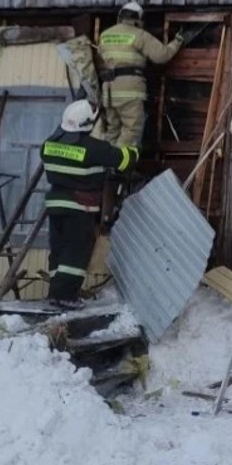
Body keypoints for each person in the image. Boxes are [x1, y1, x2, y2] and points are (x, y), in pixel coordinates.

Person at [41, 100, 139, 310]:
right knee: (76, 251)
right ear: (86, 124)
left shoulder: (48, 145)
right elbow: (123, 160)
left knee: (59, 251)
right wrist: (136, 151)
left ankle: (55, 293)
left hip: (55, 206)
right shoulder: (93, 149)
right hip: (79, 207)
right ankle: (65, 296)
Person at [96, 1, 184, 147]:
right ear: (138, 19)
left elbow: (102, 58)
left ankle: (106, 166)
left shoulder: (105, 35)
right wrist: (178, 41)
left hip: (109, 91)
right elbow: (161, 56)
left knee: (112, 131)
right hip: (129, 91)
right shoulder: (139, 35)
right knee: (131, 131)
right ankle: (121, 168)